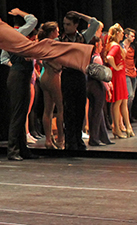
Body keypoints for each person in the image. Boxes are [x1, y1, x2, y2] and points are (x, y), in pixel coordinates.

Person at [0, 8, 39, 160]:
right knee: (18, 114)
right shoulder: (17, 34)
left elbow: (4, 58)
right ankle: (13, 150)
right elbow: (33, 20)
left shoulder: (13, 37)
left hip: (21, 75)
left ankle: (22, 149)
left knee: (22, 114)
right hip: (18, 77)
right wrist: (20, 12)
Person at [59, 11, 101, 151]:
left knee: (80, 109)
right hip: (67, 75)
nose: (66, 27)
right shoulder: (60, 40)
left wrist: (79, 15)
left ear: (76, 25)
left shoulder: (83, 37)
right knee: (69, 109)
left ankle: (78, 140)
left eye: (69, 24)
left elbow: (95, 23)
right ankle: (70, 142)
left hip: (80, 76)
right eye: (64, 24)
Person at [38, 22, 64, 150]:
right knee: (60, 108)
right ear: (52, 32)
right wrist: (58, 67)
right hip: (53, 77)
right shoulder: (52, 44)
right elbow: (56, 63)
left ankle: (48, 140)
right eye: (57, 31)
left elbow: (39, 58)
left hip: (44, 77)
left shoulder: (42, 43)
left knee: (47, 110)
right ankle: (60, 139)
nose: (58, 33)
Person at [87, 36, 113, 147]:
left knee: (96, 111)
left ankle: (103, 137)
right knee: (96, 112)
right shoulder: (97, 58)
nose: (102, 46)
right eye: (101, 44)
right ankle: (95, 138)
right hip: (96, 86)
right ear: (97, 45)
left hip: (89, 85)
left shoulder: (89, 56)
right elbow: (101, 76)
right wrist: (108, 88)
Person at [105, 24, 129, 138]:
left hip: (119, 74)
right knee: (117, 102)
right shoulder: (116, 46)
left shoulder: (112, 44)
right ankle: (117, 129)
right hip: (117, 75)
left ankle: (121, 127)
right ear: (117, 33)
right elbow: (109, 57)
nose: (123, 35)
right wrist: (115, 67)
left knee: (120, 101)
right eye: (122, 32)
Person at [122, 28, 137, 127]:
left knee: (132, 96)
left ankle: (128, 115)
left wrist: (134, 67)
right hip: (125, 73)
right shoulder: (121, 46)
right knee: (129, 96)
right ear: (126, 35)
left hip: (133, 73)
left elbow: (133, 59)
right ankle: (124, 117)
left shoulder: (132, 48)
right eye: (132, 36)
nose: (133, 38)